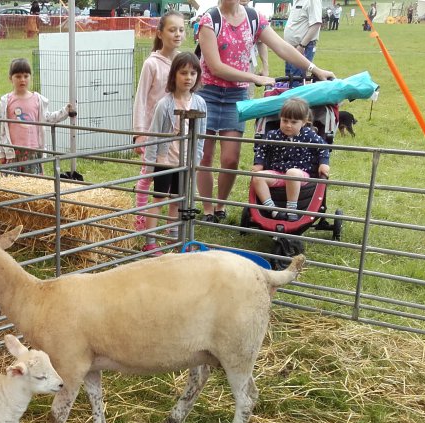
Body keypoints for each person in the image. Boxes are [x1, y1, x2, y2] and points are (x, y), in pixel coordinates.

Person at [195, 0, 334, 222]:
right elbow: (215, 67)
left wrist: (314, 69)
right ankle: (209, 210)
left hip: (236, 96)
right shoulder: (209, 20)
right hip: (208, 92)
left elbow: (282, 47)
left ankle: (221, 205)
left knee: (230, 158)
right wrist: (255, 77)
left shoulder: (254, 18)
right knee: (205, 156)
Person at [142, 52, 207, 253]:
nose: (188, 78)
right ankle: (150, 241)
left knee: (177, 200)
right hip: (165, 160)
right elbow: (154, 135)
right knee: (159, 199)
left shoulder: (200, 103)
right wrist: (151, 165)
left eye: (193, 73)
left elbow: (200, 137)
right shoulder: (165, 104)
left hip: (185, 161)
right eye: (183, 73)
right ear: (174, 76)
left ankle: (173, 237)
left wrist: (195, 163)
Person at [131, 10, 185, 231]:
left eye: (181, 30)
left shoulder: (182, 63)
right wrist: (139, 133)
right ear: (160, 33)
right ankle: (141, 219)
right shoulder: (151, 64)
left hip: (176, 133)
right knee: (149, 175)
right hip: (154, 132)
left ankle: (170, 226)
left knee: (171, 179)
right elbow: (141, 98)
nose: (177, 34)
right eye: (172, 30)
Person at [250, 97, 329, 220]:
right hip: (278, 173)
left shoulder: (308, 135)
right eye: (285, 120)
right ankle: (274, 211)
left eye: (293, 122)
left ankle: (291, 209)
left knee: (292, 173)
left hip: (300, 175)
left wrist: (323, 164)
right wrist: (259, 163)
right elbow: (262, 149)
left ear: (303, 122)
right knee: (258, 177)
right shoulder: (273, 135)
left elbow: (323, 148)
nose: (288, 125)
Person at [0, 58, 75, 175]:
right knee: (12, 188)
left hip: (33, 152)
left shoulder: (38, 100)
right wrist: (0, 153)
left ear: (30, 77)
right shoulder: (5, 102)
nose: (22, 80)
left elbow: (48, 118)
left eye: (26, 76)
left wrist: (66, 111)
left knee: (33, 185)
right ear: (10, 78)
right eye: (18, 76)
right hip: (12, 153)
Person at [283, 0, 323, 85]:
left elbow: (316, 24)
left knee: (296, 81)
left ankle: (297, 98)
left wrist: (302, 45)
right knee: (289, 79)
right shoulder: (297, 1)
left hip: (302, 47)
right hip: (291, 48)